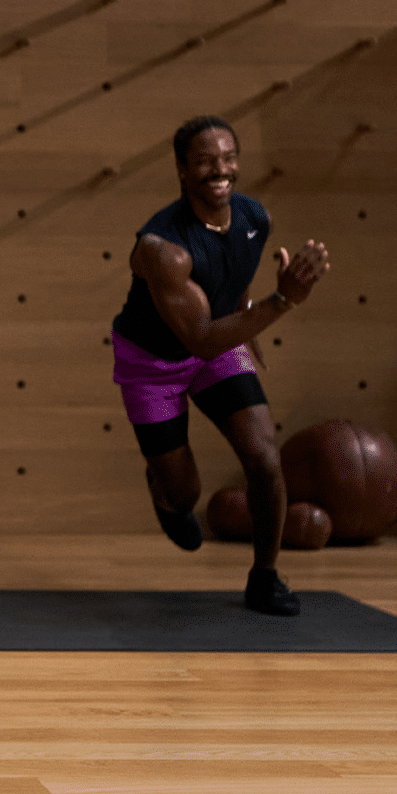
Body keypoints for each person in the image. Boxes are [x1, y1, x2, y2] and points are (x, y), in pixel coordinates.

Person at [111, 116, 330, 615]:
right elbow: (202, 340)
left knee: (264, 460)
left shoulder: (255, 218)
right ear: (183, 170)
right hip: (155, 362)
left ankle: (265, 578)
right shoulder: (162, 249)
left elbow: (234, 277)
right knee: (185, 494)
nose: (221, 170)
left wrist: (249, 324)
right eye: (206, 161)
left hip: (219, 341)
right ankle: (165, 494)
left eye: (229, 158)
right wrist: (284, 303)